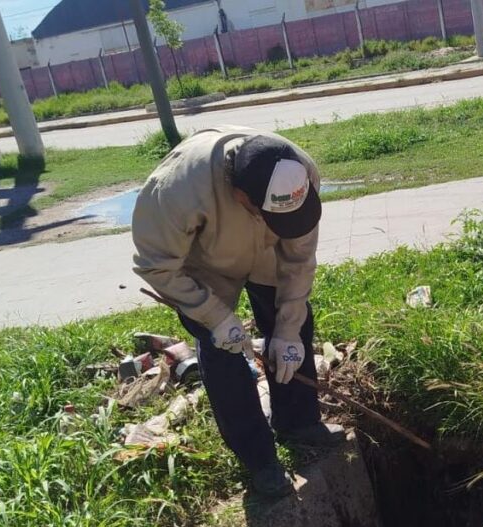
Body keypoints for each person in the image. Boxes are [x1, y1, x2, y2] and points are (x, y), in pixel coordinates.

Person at [132, 126, 346, 500]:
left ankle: (297, 423)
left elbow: (299, 257)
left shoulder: (299, 172)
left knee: (295, 326)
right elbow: (156, 266)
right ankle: (259, 460)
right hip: (206, 265)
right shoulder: (177, 189)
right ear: (241, 196)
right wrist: (215, 317)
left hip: (267, 251)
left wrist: (289, 328)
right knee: (223, 353)